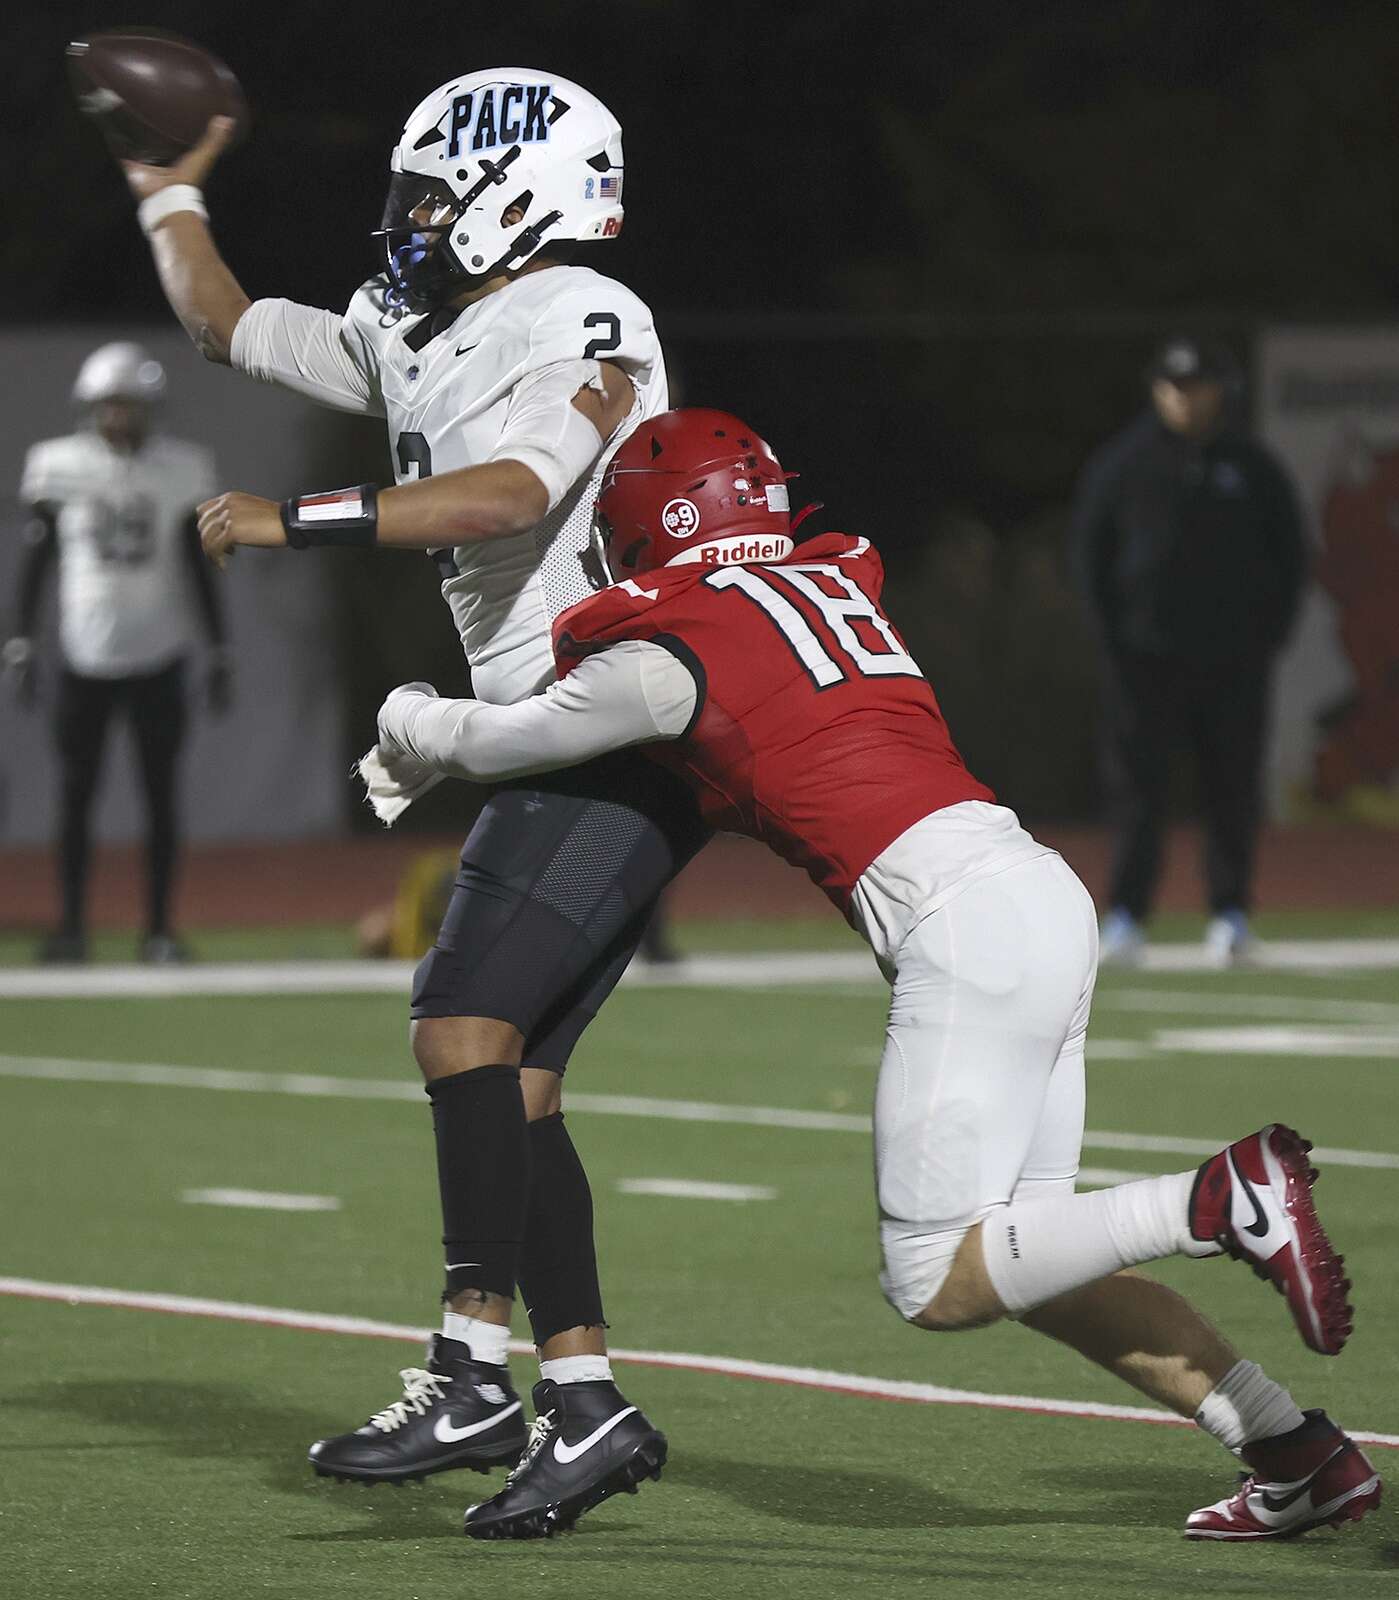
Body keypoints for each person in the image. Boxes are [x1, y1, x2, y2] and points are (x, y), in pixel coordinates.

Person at [371, 408, 1379, 1542]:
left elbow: (502, 741)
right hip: (1035, 889)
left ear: (660, 524)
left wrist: (407, 714)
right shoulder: (828, 585)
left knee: (929, 1278)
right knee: (1030, 1261)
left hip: (960, 925)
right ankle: (1290, 1448)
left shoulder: (669, 647)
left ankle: (1216, 1200)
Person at [113, 73, 706, 1537]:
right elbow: (223, 322)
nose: (409, 223)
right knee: (511, 1080)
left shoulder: (585, 313)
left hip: (611, 714)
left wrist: (292, 517)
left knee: (456, 1027)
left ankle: (471, 1373)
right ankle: (578, 1399)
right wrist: (163, 188)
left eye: (436, 196)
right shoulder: (411, 327)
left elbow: (509, 493)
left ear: (524, 193)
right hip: (541, 729)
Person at [1070, 338, 1308, 967]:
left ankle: (1230, 916)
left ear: (1219, 391)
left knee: (1232, 788)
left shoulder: (1252, 466)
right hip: (1144, 664)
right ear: (1157, 390)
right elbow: (1090, 558)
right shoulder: (1122, 465)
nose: (1184, 397)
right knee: (1138, 791)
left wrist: (1269, 637)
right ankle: (1126, 918)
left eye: (1197, 385)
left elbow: (1290, 555)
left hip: (1234, 662)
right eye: (1174, 386)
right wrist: (1112, 644)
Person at [2, 342, 230, 963]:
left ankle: (158, 929)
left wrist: (218, 648)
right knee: (76, 796)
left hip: (162, 651)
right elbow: (38, 557)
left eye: (128, 405)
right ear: (91, 408)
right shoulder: (59, 465)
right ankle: (71, 927)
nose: (119, 417)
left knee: (161, 797)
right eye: (109, 406)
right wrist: (22, 638)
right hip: (83, 653)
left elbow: (196, 560)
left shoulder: (180, 467)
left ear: (148, 408)